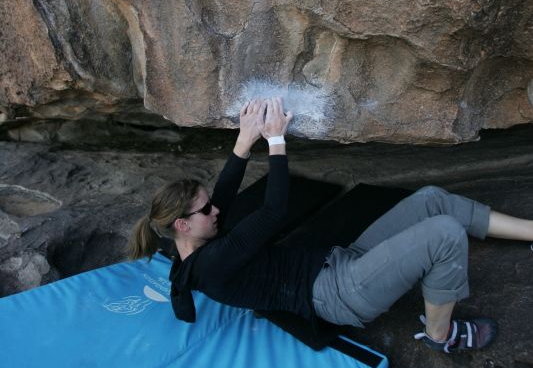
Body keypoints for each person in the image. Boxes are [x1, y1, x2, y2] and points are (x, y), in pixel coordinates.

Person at [128, 97, 533, 354]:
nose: (215, 210)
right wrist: (276, 141)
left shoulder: (195, 239)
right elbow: (273, 211)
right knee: (444, 234)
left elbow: (224, 195)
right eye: (205, 210)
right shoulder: (212, 265)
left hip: (338, 260)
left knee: (431, 199)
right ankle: (440, 336)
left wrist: (244, 140)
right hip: (339, 294)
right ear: (183, 224)